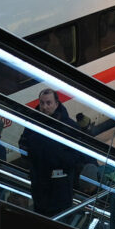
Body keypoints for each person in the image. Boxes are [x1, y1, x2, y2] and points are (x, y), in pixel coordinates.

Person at [20, 90, 87, 221]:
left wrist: (56, 159)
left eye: (49, 103)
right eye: (42, 103)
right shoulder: (32, 123)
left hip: (61, 189)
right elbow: (23, 145)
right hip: (39, 188)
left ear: (56, 104)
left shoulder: (69, 127)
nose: (45, 107)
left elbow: (78, 156)